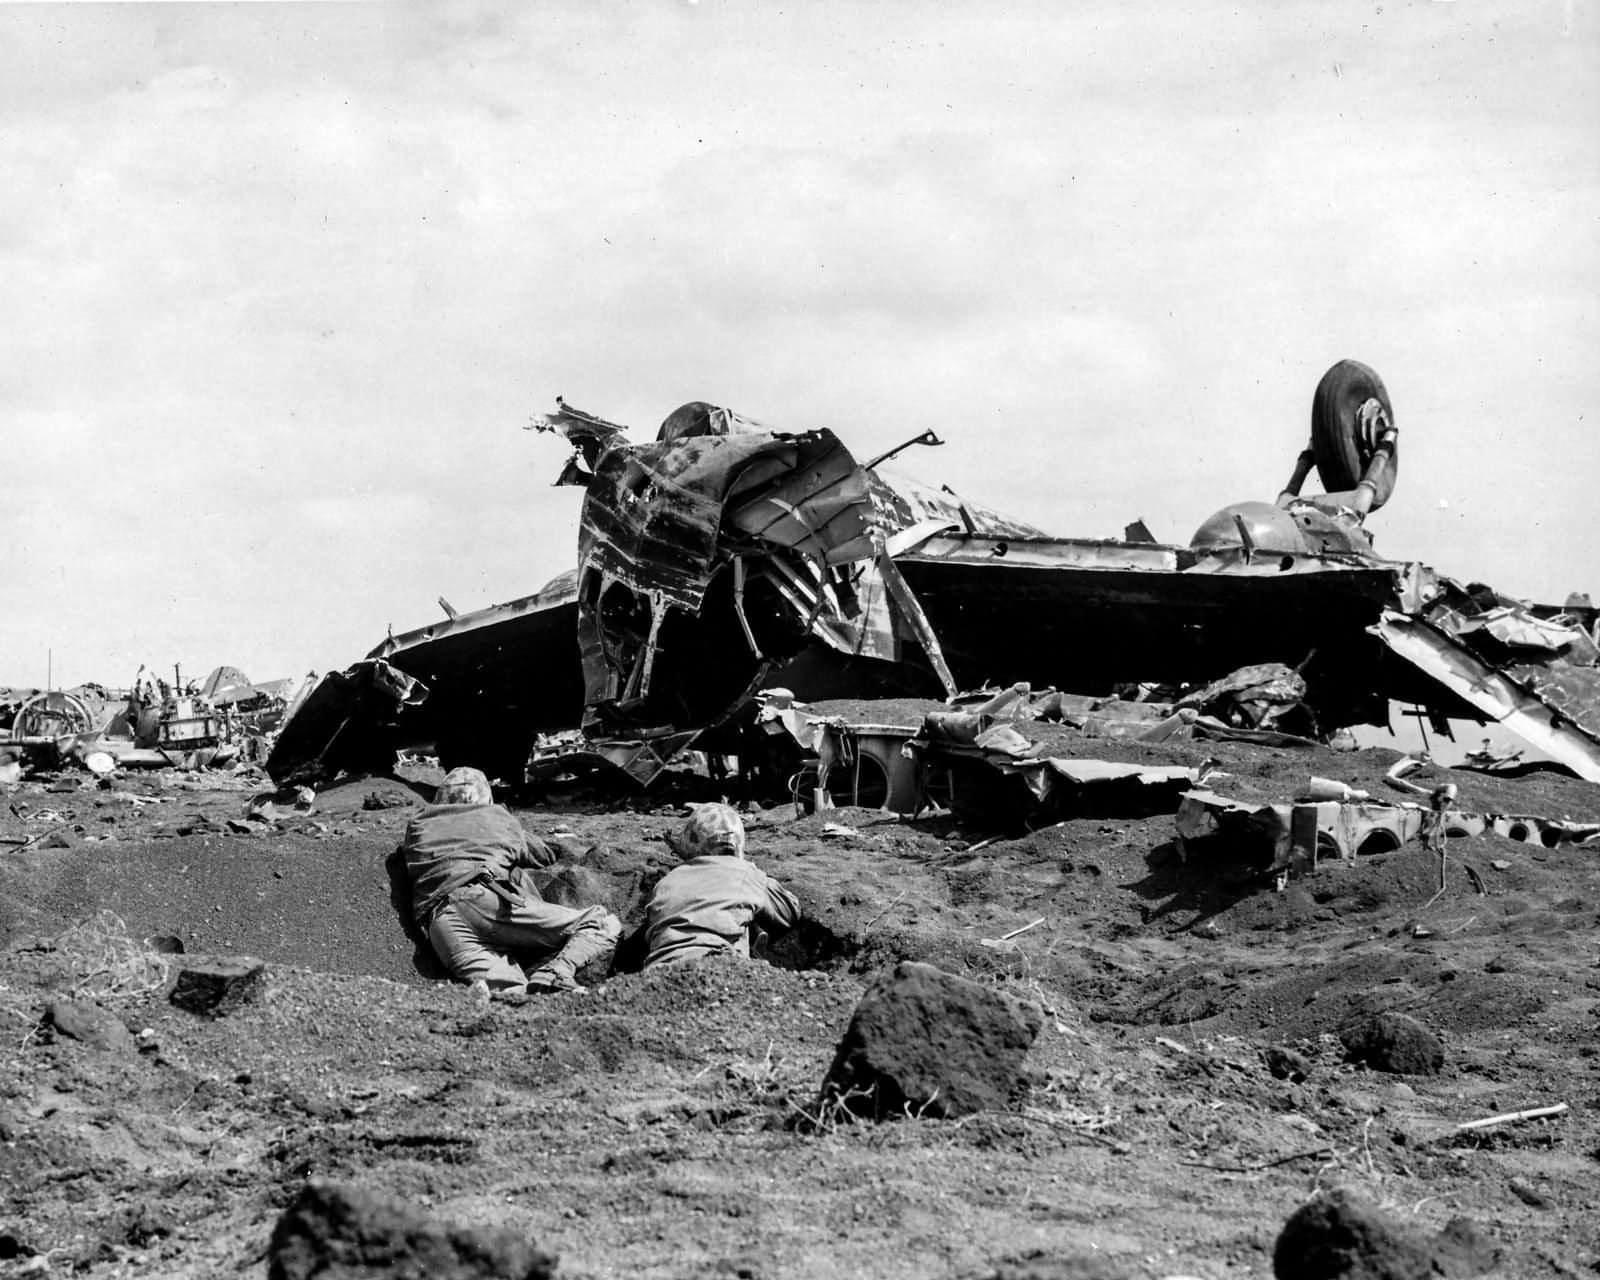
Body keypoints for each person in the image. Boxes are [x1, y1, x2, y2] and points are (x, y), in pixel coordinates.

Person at [400, 767, 620, 993]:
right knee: (600, 922)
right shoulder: (495, 816)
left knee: (514, 994)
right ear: (486, 797)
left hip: (442, 924)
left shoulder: (418, 824)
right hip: (484, 903)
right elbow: (541, 854)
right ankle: (555, 972)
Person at [642, 802, 800, 970]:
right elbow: (789, 911)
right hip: (718, 968)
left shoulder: (665, 882)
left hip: (657, 972)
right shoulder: (745, 873)